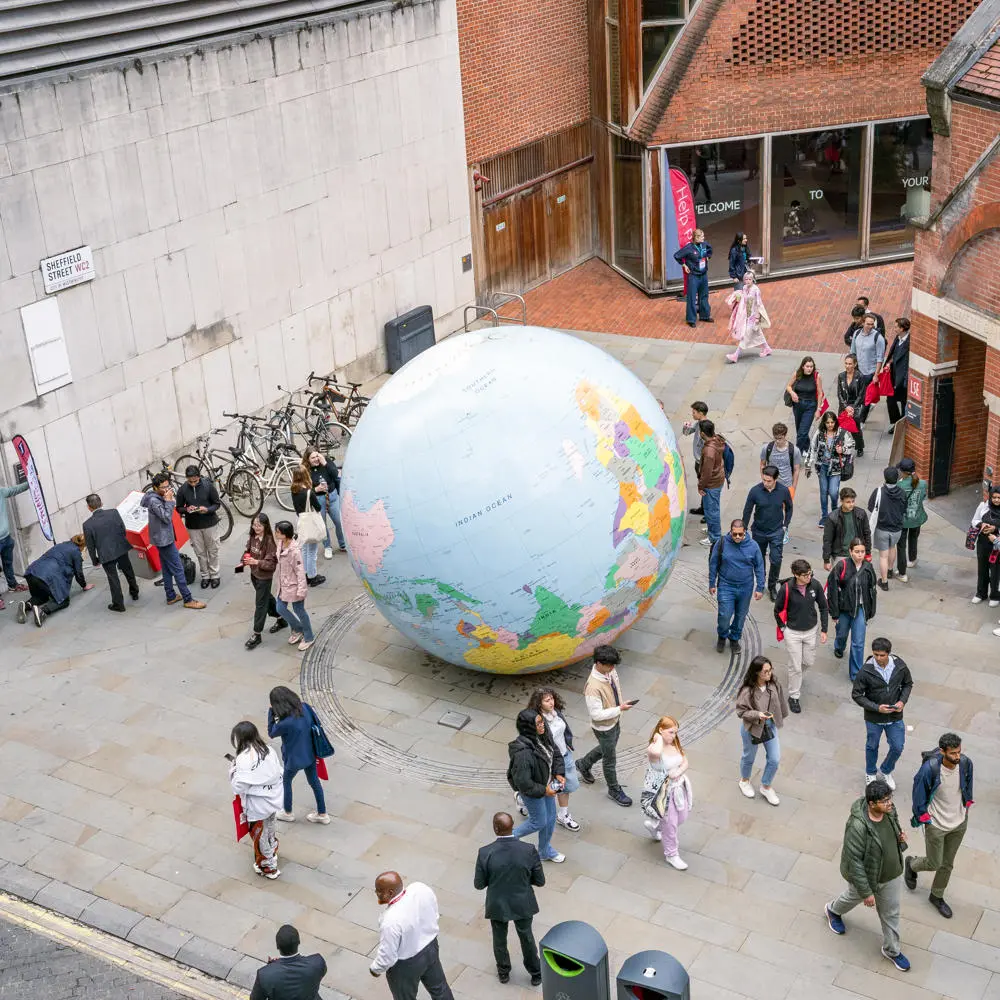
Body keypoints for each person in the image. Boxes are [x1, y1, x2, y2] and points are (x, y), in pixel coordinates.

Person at [825, 777, 910, 972]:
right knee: (852, 897)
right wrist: (867, 892)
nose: (890, 803)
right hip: (867, 877)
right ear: (872, 804)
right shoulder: (858, 826)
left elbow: (894, 828)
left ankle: (892, 950)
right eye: (885, 801)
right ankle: (833, 910)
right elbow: (854, 861)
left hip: (891, 874)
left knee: (891, 913)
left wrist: (901, 840)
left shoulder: (889, 810)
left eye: (890, 798)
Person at [906, 733, 974, 920]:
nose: (958, 757)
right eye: (953, 753)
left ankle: (937, 896)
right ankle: (911, 864)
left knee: (947, 864)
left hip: (959, 822)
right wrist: (924, 817)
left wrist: (967, 804)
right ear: (943, 751)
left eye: (959, 752)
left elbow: (968, 784)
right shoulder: (930, 769)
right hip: (936, 824)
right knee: (934, 862)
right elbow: (918, 794)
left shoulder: (966, 763)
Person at [474, 812, 544, 986]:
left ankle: (503, 972)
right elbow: (540, 881)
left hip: (498, 903)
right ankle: (535, 972)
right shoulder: (528, 850)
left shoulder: (485, 853)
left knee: (499, 938)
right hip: (523, 901)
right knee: (526, 937)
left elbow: (479, 884)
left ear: (495, 828)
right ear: (513, 825)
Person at [370, 872, 454, 1000]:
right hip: (431, 948)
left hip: (406, 964)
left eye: (379, 891)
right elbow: (435, 913)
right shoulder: (420, 889)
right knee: (440, 988)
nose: (377, 893)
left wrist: (376, 969)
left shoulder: (390, 920)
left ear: (391, 892)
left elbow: (388, 955)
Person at [577, 644, 635, 806]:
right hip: (604, 727)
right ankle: (613, 789)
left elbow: (616, 688)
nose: (612, 668)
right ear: (599, 663)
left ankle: (583, 764)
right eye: (609, 665)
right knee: (610, 758)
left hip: (614, 719)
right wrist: (619, 708)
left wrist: (620, 705)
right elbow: (596, 714)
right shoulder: (593, 687)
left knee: (606, 748)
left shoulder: (609, 671)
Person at [507, 709, 566, 863]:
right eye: (538, 723)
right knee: (538, 821)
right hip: (533, 791)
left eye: (542, 721)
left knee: (551, 818)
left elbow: (556, 753)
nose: (542, 726)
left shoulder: (544, 736)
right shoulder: (523, 754)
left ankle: (545, 851)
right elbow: (524, 783)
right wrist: (544, 790)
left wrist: (558, 773)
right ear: (528, 727)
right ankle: (507, 839)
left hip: (545, 785)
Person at [140, 473, 205, 610]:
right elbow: (166, 518)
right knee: (178, 569)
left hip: (161, 538)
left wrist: (167, 498)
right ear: (155, 487)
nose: (167, 489)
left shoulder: (156, 497)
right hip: (164, 540)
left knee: (167, 568)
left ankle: (170, 595)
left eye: (168, 486)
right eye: (164, 487)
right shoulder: (154, 501)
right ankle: (188, 599)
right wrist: (169, 501)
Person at [853, 637, 912, 788]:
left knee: (898, 746)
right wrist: (876, 707)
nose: (878, 658)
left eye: (882, 655)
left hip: (894, 716)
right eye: (875, 655)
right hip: (874, 717)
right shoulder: (865, 671)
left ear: (888, 654)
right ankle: (870, 773)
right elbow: (857, 695)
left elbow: (907, 684)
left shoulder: (900, 666)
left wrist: (902, 701)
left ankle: (886, 770)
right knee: (872, 746)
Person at [267, 686, 331, 825]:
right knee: (314, 782)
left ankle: (287, 812)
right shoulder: (305, 708)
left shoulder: (285, 723)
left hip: (294, 759)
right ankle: (322, 813)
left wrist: (271, 713)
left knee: (286, 781)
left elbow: (271, 732)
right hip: (310, 754)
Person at [229, 721, 283, 880]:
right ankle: (272, 850)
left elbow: (239, 786)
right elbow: (278, 771)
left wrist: (233, 771)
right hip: (273, 798)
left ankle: (268, 865)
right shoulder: (268, 750)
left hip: (257, 805)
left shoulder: (244, 759)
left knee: (259, 835)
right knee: (269, 828)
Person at [774, 559, 828, 714]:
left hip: (811, 630)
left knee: (808, 662)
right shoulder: (786, 589)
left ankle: (794, 675)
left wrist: (824, 630)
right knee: (796, 667)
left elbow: (823, 607)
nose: (808, 577)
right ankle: (794, 696)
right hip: (793, 632)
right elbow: (777, 610)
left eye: (809, 574)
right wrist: (783, 628)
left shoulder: (815, 585)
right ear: (796, 575)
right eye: (805, 575)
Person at [641, 716, 692, 870]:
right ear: (661, 730)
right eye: (671, 732)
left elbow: (685, 761)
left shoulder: (674, 744)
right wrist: (658, 738)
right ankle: (671, 854)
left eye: (676, 732)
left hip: (679, 788)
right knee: (670, 826)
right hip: (663, 795)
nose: (674, 736)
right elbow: (655, 752)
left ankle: (655, 825)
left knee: (681, 817)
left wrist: (678, 772)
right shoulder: (654, 749)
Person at [735, 655, 787, 805]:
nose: (769, 674)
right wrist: (758, 715)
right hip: (752, 728)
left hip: (769, 727)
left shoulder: (774, 685)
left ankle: (766, 785)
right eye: (765, 671)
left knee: (774, 759)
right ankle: (744, 781)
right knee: (749, 757)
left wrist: (779, 717)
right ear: (757, 672)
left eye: (770, 670)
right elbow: (741, 712)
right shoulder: (747, 691)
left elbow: (781, 701)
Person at [527, 688, 581, 831]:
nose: (551, 702)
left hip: (564, 755)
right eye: (547, 700)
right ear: (539, 704)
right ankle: (522, 799)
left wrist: (567, 744)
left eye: (552, 698)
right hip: (549, 761)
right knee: (545, 789)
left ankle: (563, 815)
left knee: (567, 786)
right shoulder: (538, 721)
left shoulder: (556, 713)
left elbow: (565, 730)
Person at [709, 519, 764, 653]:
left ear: (745, 532)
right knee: (724, 615)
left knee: (740, 616)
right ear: (730, 531)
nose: (737, 537)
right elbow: (713, 563)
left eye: (740, 534)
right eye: (735, 534)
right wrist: (712, 582)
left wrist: (760, 587)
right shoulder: (722, 543)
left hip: (746, 587)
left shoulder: (753, 546)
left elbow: (759, 567)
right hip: (726, 585)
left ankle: (734, 638)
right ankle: (722, 635)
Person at [16, 535, 93, 628]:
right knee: (64, 601)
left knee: (42, 596)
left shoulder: (61, 545)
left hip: (32, 572)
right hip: (46, 577)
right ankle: (42, 611)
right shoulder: (76, 552)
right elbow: (79, 573)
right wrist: (84, 585)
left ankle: (27, 605)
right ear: (83, 546)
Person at [827, 538, 878, 680]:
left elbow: (872, 590)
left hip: (861, 609)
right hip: (844, 608)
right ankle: (839, 646)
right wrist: (834, 613)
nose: (860, 554)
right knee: (842, 633)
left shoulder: (868, 567)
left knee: (858, 642)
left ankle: (856, 674)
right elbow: (832, 590)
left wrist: (870, 611)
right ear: (850, 552)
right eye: (857, 551)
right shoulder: (841, 566)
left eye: (862, 551)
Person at [742, 464, 793, 600]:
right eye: (764, 480)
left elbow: (789, 508)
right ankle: (760, 583)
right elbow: (747, 510)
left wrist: (785, 526)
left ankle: (772, 586)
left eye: (769, 481)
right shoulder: (755, 491)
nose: (765, 483)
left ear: (775, 479)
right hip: (759, 531)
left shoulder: (783, 491)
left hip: (776, 531)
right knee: (759, 559)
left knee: (776, 560)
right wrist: (744, 528)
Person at [82, 493, 139, 613]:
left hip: (106, 553)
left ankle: (119, 604)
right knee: (128, 570)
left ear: (89, 507)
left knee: (113, 578)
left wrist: (94, 560)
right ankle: (135, 592)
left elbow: (91, 546)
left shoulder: (87, 525)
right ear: (101, 503)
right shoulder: (113, 512)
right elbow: (122, 528)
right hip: (120, 547)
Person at [242, 513, 287, 650]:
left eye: (259, 525)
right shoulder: (252, 537)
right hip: (254, 575)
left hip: (264, 578)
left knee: (260, 604)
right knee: (267, 597)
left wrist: (256, 561)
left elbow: (271, 564)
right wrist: (244, 560)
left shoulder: (269, 542)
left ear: (265, 526)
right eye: (254, 525)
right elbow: (248, 550)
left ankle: (257, 634)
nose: (256, 527)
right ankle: (281, 619)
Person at [250, 924, 327, 1000]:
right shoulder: (317, 963)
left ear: (277, 946)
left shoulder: (264, 975)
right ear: (299, 942)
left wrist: (271, 968)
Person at [175, 466, 222, 590]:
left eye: (195, 481)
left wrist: (207, 509)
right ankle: (205, 576)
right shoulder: (182, 489)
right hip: (193, 525)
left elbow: (217, 504)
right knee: (200, 553)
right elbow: (178, 507)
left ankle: (215, 575)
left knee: (213, 550)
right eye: (190, 481)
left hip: (210, 523)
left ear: (199, 477)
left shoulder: (208, 486)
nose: (193, 484)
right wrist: (186, 509)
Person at [805, 411, 854, 528]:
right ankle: (825, 516)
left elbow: (852, 445)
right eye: (828, 422)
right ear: (824, 423)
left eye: (832, 422)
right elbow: (812, 448)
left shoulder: (843, 433)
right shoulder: (819, 433)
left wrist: (843, 449)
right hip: (822, 467)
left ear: (835, 422)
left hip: (836, 468)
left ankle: (834, 512)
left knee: (833, 492)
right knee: (823, 492)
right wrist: (808, 465)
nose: (830, 425)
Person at [273, 520, 315, 652]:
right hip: (283, 585)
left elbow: (300, 572)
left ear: (285, 534)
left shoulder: (294, 551)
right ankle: (298, 628)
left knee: (299, 611)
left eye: (278, 532)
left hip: (294, 586)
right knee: (280, 608)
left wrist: (302, 590)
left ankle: (308, 636)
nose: (276, 534)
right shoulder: (280, 544)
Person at [301, 446, 345, 558]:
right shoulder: (305, 470)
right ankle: (327, 547)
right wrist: (315, 489)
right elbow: (302, 489)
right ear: (307, 460)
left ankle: (343, 544)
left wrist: (325, 463)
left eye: (317, 456)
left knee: (339, 521)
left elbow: (336, 474)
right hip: (318, 499)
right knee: (322, 525)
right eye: (312, 458)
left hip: (332, 496)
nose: (316, 459)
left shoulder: (326, 462)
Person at [868, 467, 906, 591]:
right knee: (892, 547)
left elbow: (871, 507)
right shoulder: (902, 492)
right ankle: (890, 570)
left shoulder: (878, 491)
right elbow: (904, 509)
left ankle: (884, 582)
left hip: (882, 528)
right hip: (896, 529)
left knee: (883, 556)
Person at [725, 270, 772, 363]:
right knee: (758, 333)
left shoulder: (756, 290)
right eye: (746, 279)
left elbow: (759, 304)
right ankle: (767, 348)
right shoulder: (745, 288)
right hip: (747, 315)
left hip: (753, 317)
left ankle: (735, 355)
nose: (748, 281)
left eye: (750, 279)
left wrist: (757, 318)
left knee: (745, 336)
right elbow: (743, 299)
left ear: (753, 279)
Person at [290, 467, 325, 587]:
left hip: (300, 520)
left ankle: (304, 573)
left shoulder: (293, 490)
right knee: (312, 551)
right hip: (310, 523)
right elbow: (318, 507)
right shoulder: (309, 493)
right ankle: (312, 576)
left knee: (304, 549)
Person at [822, 487, 871, 570]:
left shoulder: (861, 514)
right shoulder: (833, 517)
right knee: (840, 581)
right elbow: (827, 540)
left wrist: (868, 552)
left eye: (853, 501)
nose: (851, 504)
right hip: (840, 555)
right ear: (841, 501)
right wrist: (826, 560)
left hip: (858, 552)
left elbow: (867, 534)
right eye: (848, 502)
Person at [850, 315, 886, 426]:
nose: (870, 326)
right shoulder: (856, 334)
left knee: (866, 397)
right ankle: (857, 413)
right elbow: (852, 352)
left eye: (872, 324)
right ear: (863, 323)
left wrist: (876, 374)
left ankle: (861, 420)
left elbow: (880, 357)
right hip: (858, 370)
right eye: (868, 323)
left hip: (869, 372)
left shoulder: (878, 338)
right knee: (856, 395)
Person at [785, 357, 826, 455]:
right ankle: (807, 447)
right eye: (807, 366)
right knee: (800, 429)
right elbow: (788, 386)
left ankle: (796, 454)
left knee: (802, 432)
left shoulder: (817, 376)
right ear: (803, 366)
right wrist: (792, 393)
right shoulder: (797, 374)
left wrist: (818, 410)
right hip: (798, 405)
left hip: (810, 406)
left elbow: (820, 393)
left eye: (811, 366)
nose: (809, 369)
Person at [674, 228, 713, 328]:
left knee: (704, 296)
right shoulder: (689, 248)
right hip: (694, 276)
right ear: (696, 237)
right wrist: (684, 265)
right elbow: (677, 256)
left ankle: (704, 316)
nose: (704, 238)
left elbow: (710, 249)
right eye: (702, 236)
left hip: (703, 275)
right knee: (691, 298)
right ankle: (691, 319)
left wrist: (708, 256)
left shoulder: (704, 244)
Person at [697, 420, 727, 548]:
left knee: (711, 511)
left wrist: (700, 486)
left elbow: (706, 472)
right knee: (713, 508)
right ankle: (712, 530)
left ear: (702, 433)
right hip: (718, 478)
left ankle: (714, 537)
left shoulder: (709, 451)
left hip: (711, 483)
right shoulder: (717, 440)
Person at [895, 458, 926, 582]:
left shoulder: (899, 485)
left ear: (903, 472)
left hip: (903, 519)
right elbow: (922, 497)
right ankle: (912, 559)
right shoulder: (923, 483)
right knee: (914, 538)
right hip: (917, 517)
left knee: (901, 546)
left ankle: (902, 573)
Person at [0, 479, 29, 610]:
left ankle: (13, 585)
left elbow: (15, 490)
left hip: (6, 538)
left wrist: (31, 482)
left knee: (8, 563)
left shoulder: (1, 492)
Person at [969, 485, 1000, 606]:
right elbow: (974, 520)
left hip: (996, 546)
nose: (996, 500)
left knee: (995, 571)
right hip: (983, 543)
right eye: (994, 497)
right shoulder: (983, 506)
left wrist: (995, 528)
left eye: (999, 497)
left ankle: (995, 595)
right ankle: (981, 593)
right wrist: (982, 525)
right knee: (982, 568)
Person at [759, 423, 801, 499]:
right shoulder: (767, 448)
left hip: (787, 486)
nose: (777, 441)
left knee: (785, 510)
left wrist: (793, 488)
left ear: (785, 436)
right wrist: (765, 481)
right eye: (775, 438)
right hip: (771, 486)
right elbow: (762, 464)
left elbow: (796, 470)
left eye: (780, 438)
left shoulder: (794, 450)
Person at [682, 401, 709, 517]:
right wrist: (685, 427)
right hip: (698, 461)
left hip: (703, 463)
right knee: (702, 485)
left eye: (694, 412)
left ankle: (707, 512)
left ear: (700, 413)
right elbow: (687, 433)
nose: (692, 415)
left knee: (705, 487)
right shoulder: (698, 424)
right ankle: (703, 508)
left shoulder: (707, 427)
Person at [837, 353, 866, 457]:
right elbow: (839, 393)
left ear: (855, 364)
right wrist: (846, 407)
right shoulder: (841, 376)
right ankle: (841, 447)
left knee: (855, 430)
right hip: (844, 406)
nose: (847, 366)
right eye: (846, 363)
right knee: (841, 429)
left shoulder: (860, 377)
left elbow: (861, 395)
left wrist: (852, 407)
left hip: (855, 407)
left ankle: (859, 446)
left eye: (850, 364)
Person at [884, 317, 911, 430]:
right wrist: (889, 363)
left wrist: (904, 380)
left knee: (904, 402)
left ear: (902, 328)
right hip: (894, 375)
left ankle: (900, 426)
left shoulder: (909, 343)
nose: (894, 329)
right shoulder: (898, 337)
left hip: (903, 379)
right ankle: (896, 423)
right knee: (890, 400)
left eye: (896, 327)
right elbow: (893, 353)